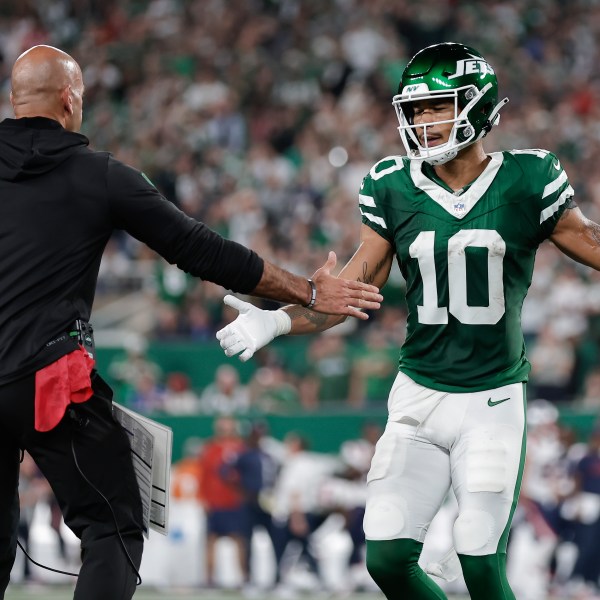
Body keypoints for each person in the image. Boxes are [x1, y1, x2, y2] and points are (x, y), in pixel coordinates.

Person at [217, 41, 600, 599]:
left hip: (491, 400)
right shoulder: (394, 185)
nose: (423, 122)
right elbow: (347, 294)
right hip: (418, 394)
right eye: (415, 110)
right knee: (389, 559)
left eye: (436, 106)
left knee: (478, 557)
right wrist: (274, 323)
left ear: (477, 105)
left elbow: (591, 242)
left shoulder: (527, 178)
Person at [0, 45, 382, 600]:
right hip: (48, 381)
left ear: (13, 100)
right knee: (112, 526)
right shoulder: (99, 175)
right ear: (70, 99)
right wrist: (307, 289)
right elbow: (200, 250)